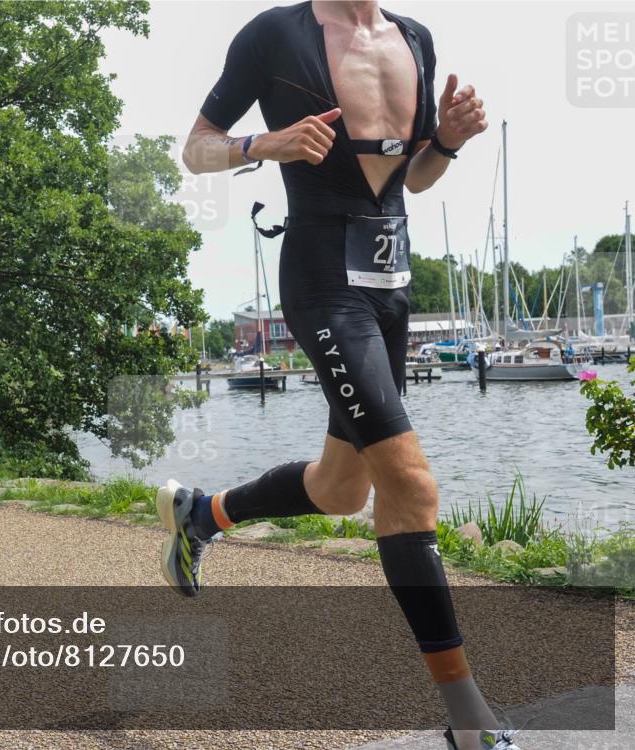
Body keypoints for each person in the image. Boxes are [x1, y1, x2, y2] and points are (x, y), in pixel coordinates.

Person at [158, 4, 514, 750]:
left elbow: (412, 181)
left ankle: (203, 515)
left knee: (341, 488)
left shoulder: (413, 37)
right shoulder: (273, 36)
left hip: (391, 283)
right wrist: (268, 143)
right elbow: (195, 150)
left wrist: (446, 141)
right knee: (410, 487)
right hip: (323, 283)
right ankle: (468, 718)